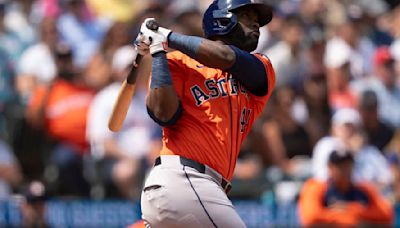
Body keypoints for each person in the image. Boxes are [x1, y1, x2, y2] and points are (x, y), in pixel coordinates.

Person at [136, 0, 276, 227]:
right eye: (248, 17)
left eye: (257, 20)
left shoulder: (262, 66)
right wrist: (158, 52)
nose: (256, 24)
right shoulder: (178, 62)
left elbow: (226, 57)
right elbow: (163, 114)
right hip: (183, 179)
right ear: (223, 19)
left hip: (200, 190)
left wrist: (166, 36)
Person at [87, 46, 159, 199]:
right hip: (115, 160)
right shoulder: (105, 98)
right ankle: (135, 212)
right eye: (128, 68)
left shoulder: (144, 96)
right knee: (127, 172)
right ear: (116, 71)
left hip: (147, 157)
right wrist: (129, 157)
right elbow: (103, 142)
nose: (134, 71)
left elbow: (156, 133)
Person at [299, 149, 393, 227]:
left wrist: (349, 208)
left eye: (347, 165)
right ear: (329, 167)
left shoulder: (364, 189)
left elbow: (386, 215)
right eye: (339, 166)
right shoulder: (317, 187)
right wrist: (351, 221)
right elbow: (310, 217)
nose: (344, 169)